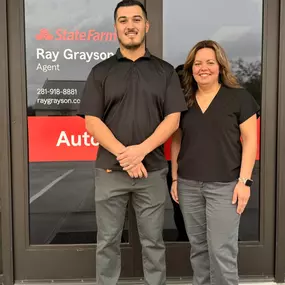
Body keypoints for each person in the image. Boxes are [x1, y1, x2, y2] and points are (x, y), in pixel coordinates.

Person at [77, 1, 188, 284]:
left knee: (153, 242)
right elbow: (92, 121)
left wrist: (140, 151)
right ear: (116, 27)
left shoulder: (164, 72)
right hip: (110, 172)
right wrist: (125, 155)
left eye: (136, 19)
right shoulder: (100, 71)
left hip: (151, 172)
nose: (130, 26)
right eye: (123, 20)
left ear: (146, 26)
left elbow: (173, 120)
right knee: (108, 242)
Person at [171, 40, 259, 285]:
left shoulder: (239, 98)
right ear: (191, 68)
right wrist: (176, 178)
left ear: (220, 66)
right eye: (198, 63)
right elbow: (177, 142)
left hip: (225, 187)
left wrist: (245, 182)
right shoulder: (184, 101)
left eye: (210, 62)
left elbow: (251, 141)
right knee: (198, 250)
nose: (203, 68)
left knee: (222, 251)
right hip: (189, 185)